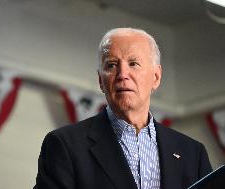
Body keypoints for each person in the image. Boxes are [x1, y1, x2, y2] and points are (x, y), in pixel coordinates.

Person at [34, 28, 212, 189]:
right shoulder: (65, 145)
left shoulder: (192, 154)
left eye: (133, 63)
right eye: (111, 65)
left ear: (156, 77)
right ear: (100, 81)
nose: (122, 75)